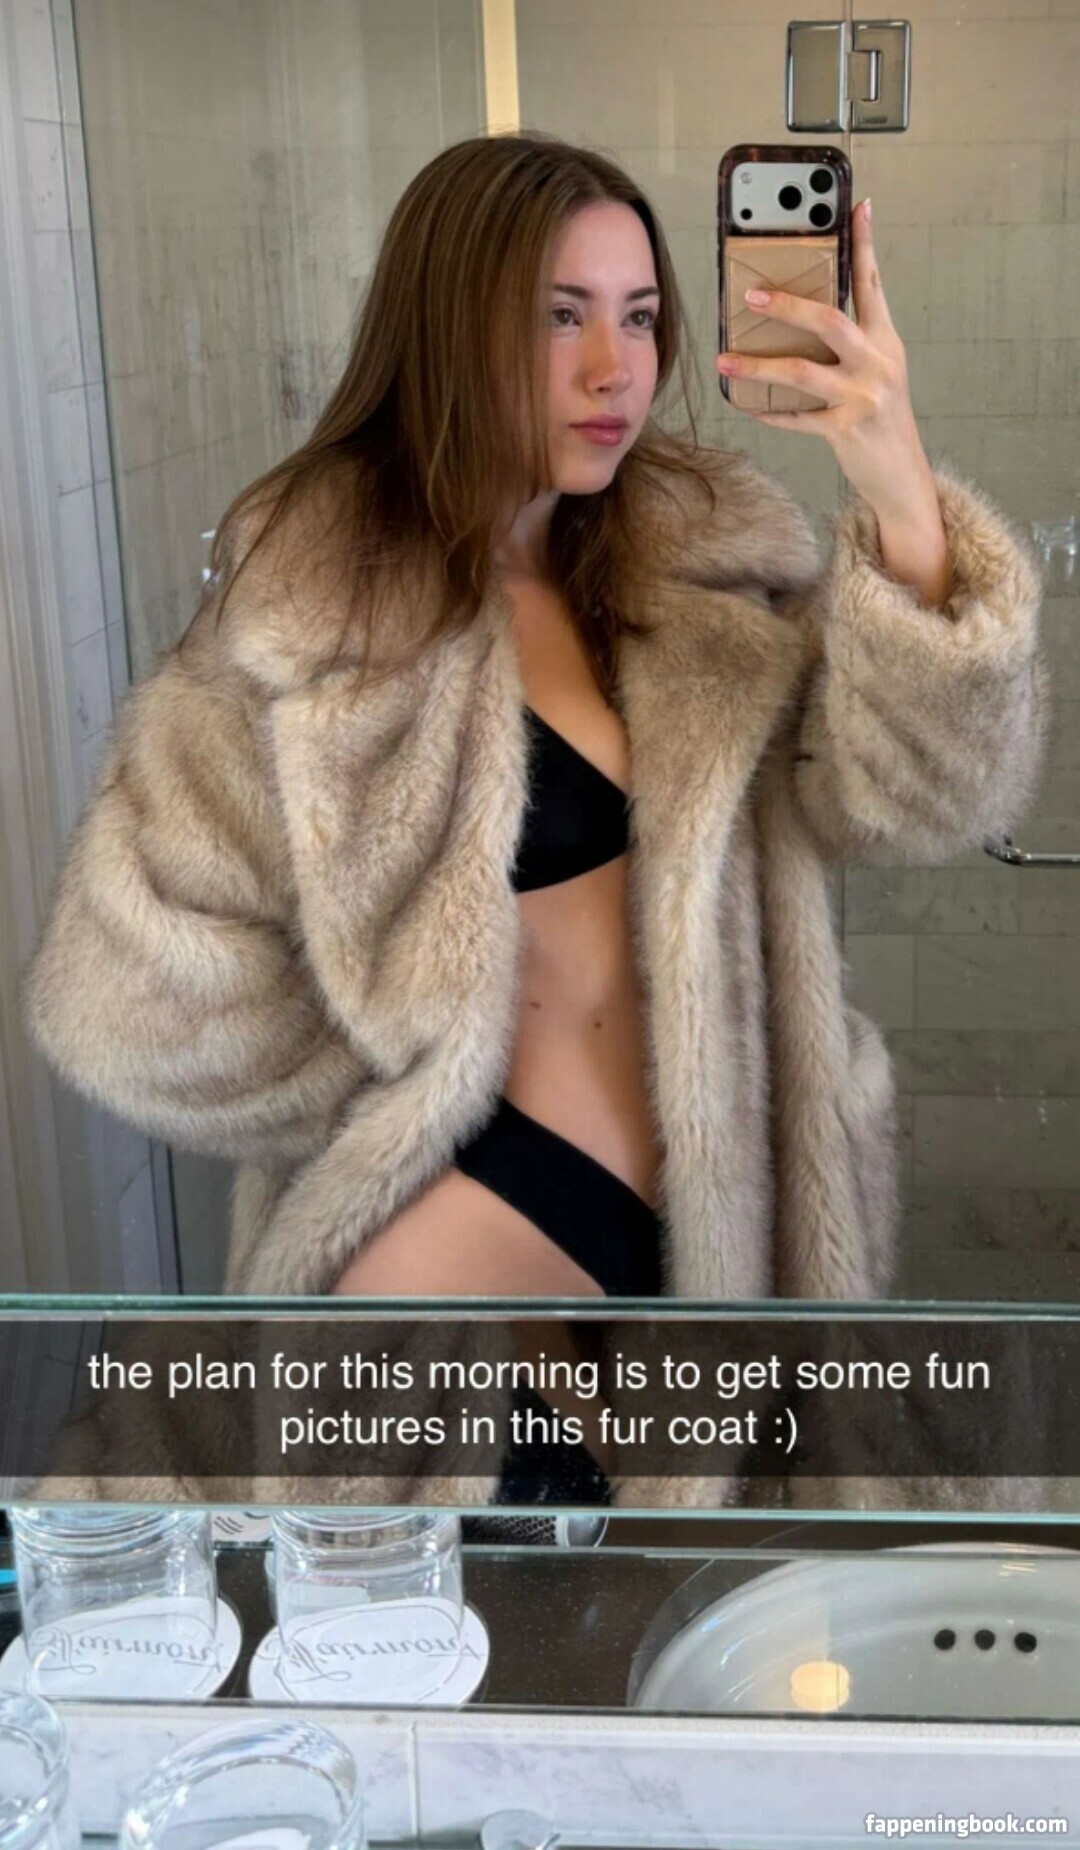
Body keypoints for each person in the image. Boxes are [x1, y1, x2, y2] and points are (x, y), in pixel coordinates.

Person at [21, 132, 1048, 1512]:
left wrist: (898, 485)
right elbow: (129, 998)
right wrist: (410, 1090)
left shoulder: (706, 575)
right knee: (438, 1636)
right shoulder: (315, 619)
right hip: (467, 1254)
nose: (614, 369)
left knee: (704, 1627)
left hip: (717, 1229)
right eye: (560, 317)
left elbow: (922, 800)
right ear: (449, 328)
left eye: (640, 315)